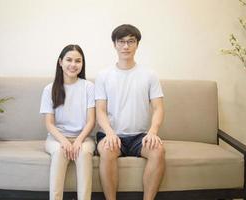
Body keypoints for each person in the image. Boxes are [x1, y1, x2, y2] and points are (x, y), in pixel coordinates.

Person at [95, 24, 165, 200]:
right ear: (115, 44)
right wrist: (110, 133)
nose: (126, 46)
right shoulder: (103, 75)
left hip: (140, 136)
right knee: (107, 150)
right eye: (121, 42)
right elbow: (100, 110)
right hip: (111, 134)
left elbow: (158, 108)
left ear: (137, 45)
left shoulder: (150, 74)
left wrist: (153, 131)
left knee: (158, 151)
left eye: (130, 41)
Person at [40, 44, 95, 200]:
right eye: (69, 60)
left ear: (82, 64)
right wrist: (64, 141)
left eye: (78, 61)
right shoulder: (50, 89)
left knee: (83, 153)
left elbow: (91, 121)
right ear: (60, 62)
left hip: (83, 138)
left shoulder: (89, 87)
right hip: (56, 138)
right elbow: (49, 123)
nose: (73, 64)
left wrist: (78, 141)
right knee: (59, 152)